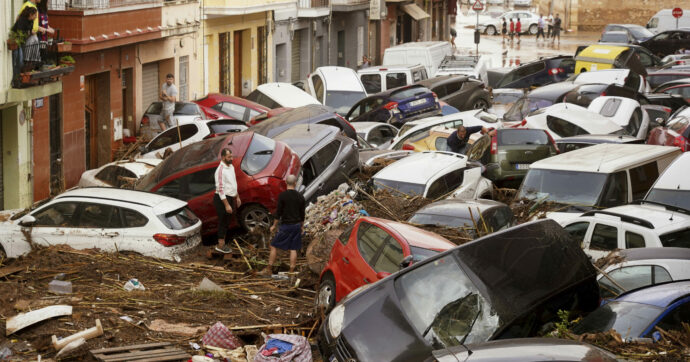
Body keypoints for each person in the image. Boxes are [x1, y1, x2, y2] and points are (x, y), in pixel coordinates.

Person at [260, 175, 305, 276]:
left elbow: (278, 213)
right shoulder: (300, 197)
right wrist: (301, 226)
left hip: (286, 226)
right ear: (295, 183)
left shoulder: (282, 196)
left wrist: (274, 226)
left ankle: (269, 269)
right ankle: (291, 272)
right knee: (293, 248)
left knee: (273, 245)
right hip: (296, 226)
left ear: (286, 183)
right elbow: (302, 214)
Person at [213, 148, 241, 254]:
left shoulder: (231, 167)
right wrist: (227, 205)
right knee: (223, 221)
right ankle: (220, 245)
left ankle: (223, 242)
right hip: (222, 199)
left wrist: (237, 196)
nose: (231, 158)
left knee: (228, 220)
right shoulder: (220, 170)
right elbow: (220, 189)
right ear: (223, 157)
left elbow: (233, 183)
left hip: (230, 197)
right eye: (229, 157)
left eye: (232, 156)